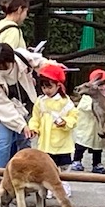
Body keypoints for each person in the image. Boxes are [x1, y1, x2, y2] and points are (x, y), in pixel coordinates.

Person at [0, 43, 55, 171]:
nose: (2, 69)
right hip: (3, 109)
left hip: (25, 102)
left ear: (12, 60)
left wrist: (53, 68)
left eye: (5, 65)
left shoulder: (21, 57)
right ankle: (1, 175)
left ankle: (25, 173)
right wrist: (21, 125)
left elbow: (39, 62)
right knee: (4, 141)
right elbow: (3, 106)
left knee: (24, 140)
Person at [28, 64, 78, 197]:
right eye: (43, 87)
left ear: (58, 85)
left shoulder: (65, 102)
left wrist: (65, 122)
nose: (46, 90)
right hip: (46, 142)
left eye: (49, 86)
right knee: (48, 166)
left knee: (64, 165)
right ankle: (50, 186)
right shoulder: (40, 101)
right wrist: (34, 128)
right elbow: (35, 117)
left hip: (62, 142)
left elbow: (74, 116)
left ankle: (64, 186)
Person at [72, 68, 105, 174]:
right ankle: (77, 161)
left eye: (104, 84)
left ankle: (96, 164)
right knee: (81, 144)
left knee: (98, 147)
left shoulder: (104, 97)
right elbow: (84, 108)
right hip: (87, 125)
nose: (102, 87)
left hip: (97, 126)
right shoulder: (87, 97)